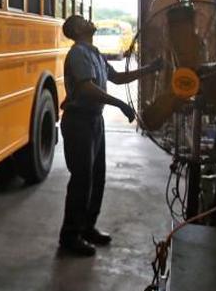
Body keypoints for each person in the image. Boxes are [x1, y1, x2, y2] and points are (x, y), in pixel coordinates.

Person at [58, 14, 159, 257]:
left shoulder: (94, 53)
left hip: (93, 120)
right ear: (76, 29)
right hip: (79, 121)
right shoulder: (79, 53)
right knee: (82, 179)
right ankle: (70, 236)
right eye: (82, 20)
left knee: (97, 177)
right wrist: (120, 104)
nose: (88, 21)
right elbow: (86, 88)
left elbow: (116, 78)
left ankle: (87, 227)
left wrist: (149, 69)